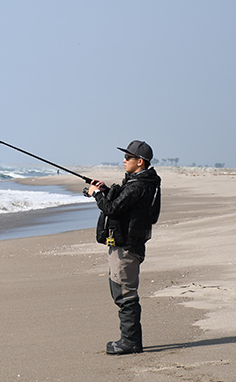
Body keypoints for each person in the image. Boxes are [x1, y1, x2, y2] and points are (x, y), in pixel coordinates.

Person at [87, 140, 161, 355]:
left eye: (128, 158)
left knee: (125, 294)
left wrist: (96, 194)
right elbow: (125, 203)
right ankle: (128, 340)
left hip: (127, 247)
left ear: (140, 162)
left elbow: (112, 209)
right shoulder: (142, 182)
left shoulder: (139, 184)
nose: (124, 160)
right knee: (122, 291)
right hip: (129, 245)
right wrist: (105, 189)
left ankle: (130, 342)